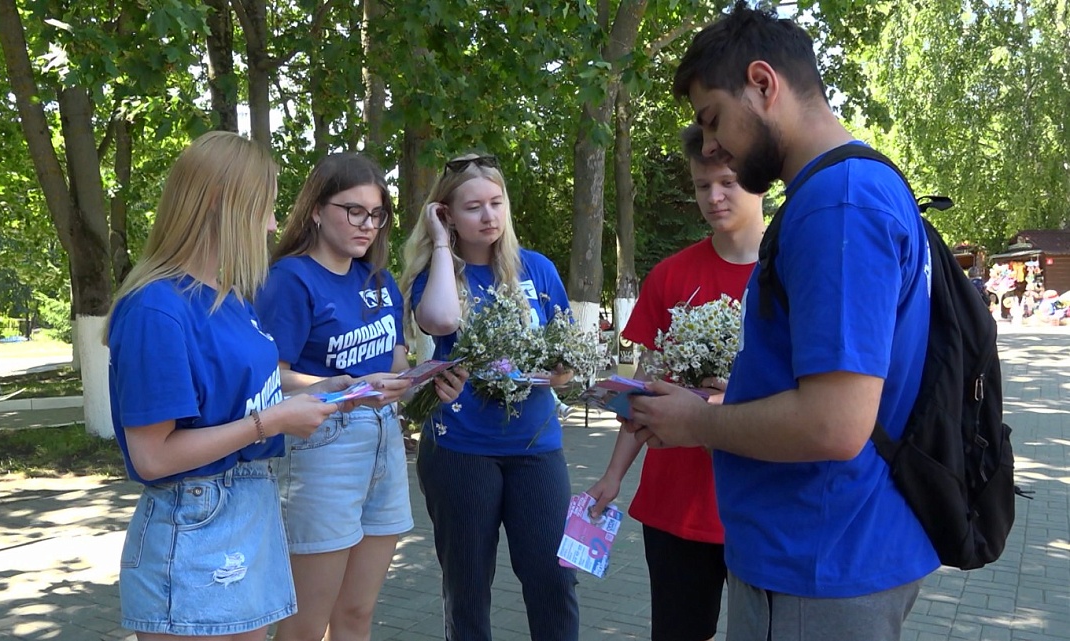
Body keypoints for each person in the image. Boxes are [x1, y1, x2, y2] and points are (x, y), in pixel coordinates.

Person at [625, 3, 938, 640]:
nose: (710, 148)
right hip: (833, 548)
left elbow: (834, 423)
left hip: (817, 561)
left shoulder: (836, 205)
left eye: (713, 120)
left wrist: (698, 422)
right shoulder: (860, 185)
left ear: (764, 85)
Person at [106, 130, 348, 639]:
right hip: (195, 519)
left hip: (246, 510)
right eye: (264, 208)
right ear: (221, 204)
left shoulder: (227, 297)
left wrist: (331, 391)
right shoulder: (157, 308)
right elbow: (152, 457)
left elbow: (238, 401)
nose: (271, 225)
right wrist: (272, 422)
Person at [253, 153, 466, 641]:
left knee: (356, 616)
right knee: (306, 623)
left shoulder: (378, 280)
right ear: (314, 209)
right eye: (353, 210)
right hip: (320, 448)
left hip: (383, 443)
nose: (366, 224)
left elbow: (393, 368)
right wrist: (338, 390)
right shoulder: (290, 279)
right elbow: (270, 379)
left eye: (376, 214)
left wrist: (425, 382)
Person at [586, 123, 764, 641]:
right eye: (702, 186)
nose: (714, 196)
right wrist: (613, 475)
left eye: (728, 182)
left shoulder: (791, 272)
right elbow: (644, 388)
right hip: (676, 502)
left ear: (758, 180)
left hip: (759, 500)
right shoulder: (671, 276)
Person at [400, 153, 580, 641]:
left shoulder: (538, 271)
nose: (489, 216)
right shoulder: (437, 276)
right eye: (473, 207)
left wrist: (559, 372)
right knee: (468, 590)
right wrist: (440, 244)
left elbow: (565, 363)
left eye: (496, 203)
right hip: (461, 450)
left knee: (555, 579)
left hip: (535, 450)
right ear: (448, 214)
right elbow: (439, 322)